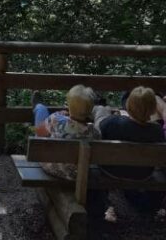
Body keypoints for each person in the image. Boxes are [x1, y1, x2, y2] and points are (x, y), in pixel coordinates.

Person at [93, 86, 165, 223]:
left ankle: (99, 105)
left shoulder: (112, 123)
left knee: (101, 112)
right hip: (142, 174)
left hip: (109, 170)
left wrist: (109, 114)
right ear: (152, 109)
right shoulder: (157, 131)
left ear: (128, 105)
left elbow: (98, 131)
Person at [32, 85, 99, 180]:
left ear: (69, 106)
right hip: (78, 173)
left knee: (41, 110)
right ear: (91, 110)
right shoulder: (93, 131)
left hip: (53, 167)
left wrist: (59, 115)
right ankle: (39, 106)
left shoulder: (57, 119)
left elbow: (40, 132)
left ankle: (38, 106)